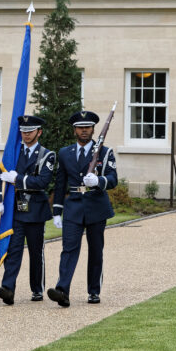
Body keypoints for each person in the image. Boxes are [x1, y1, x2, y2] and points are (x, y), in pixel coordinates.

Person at [47, 110, 118, 307]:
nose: (84, 130)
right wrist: (57, 211)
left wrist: (99, 180)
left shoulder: (104, 152)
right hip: (74, 206)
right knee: (68, 249)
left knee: (96, 251)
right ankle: (62, 290)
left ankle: (94, 291)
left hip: (96, 205)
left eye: (87, 127)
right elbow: (60, 184)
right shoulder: (64, 153)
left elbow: (113, 179)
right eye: (80, 127)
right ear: (74, 130)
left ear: (94, 129)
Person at [0, 115, 55, 305]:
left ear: (39, 132)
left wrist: (18, 179)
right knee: (14, 250)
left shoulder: (47, 155)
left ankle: (37, 289)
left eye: (30, 131)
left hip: (35, 209)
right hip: (16, 209)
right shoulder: (13, 152)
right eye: (23, 131)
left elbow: (43, 181)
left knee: (36, 252)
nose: (26, 135)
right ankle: (8, 288)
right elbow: (0, 174)